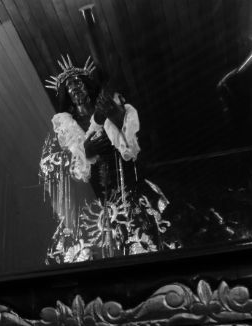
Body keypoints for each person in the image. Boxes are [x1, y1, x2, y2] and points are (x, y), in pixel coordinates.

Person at [41, 56, 174, 262]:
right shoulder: (63, 129)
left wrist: (116, 118)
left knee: (142, 239)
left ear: (87, 86)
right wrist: (85, 151)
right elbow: (49, 165)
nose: (75, 87)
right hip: (89, 199)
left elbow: (136, 147)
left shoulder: (111, 111)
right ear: (66, 95)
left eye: (78, 81)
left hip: (125, 188)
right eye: (69, 85)